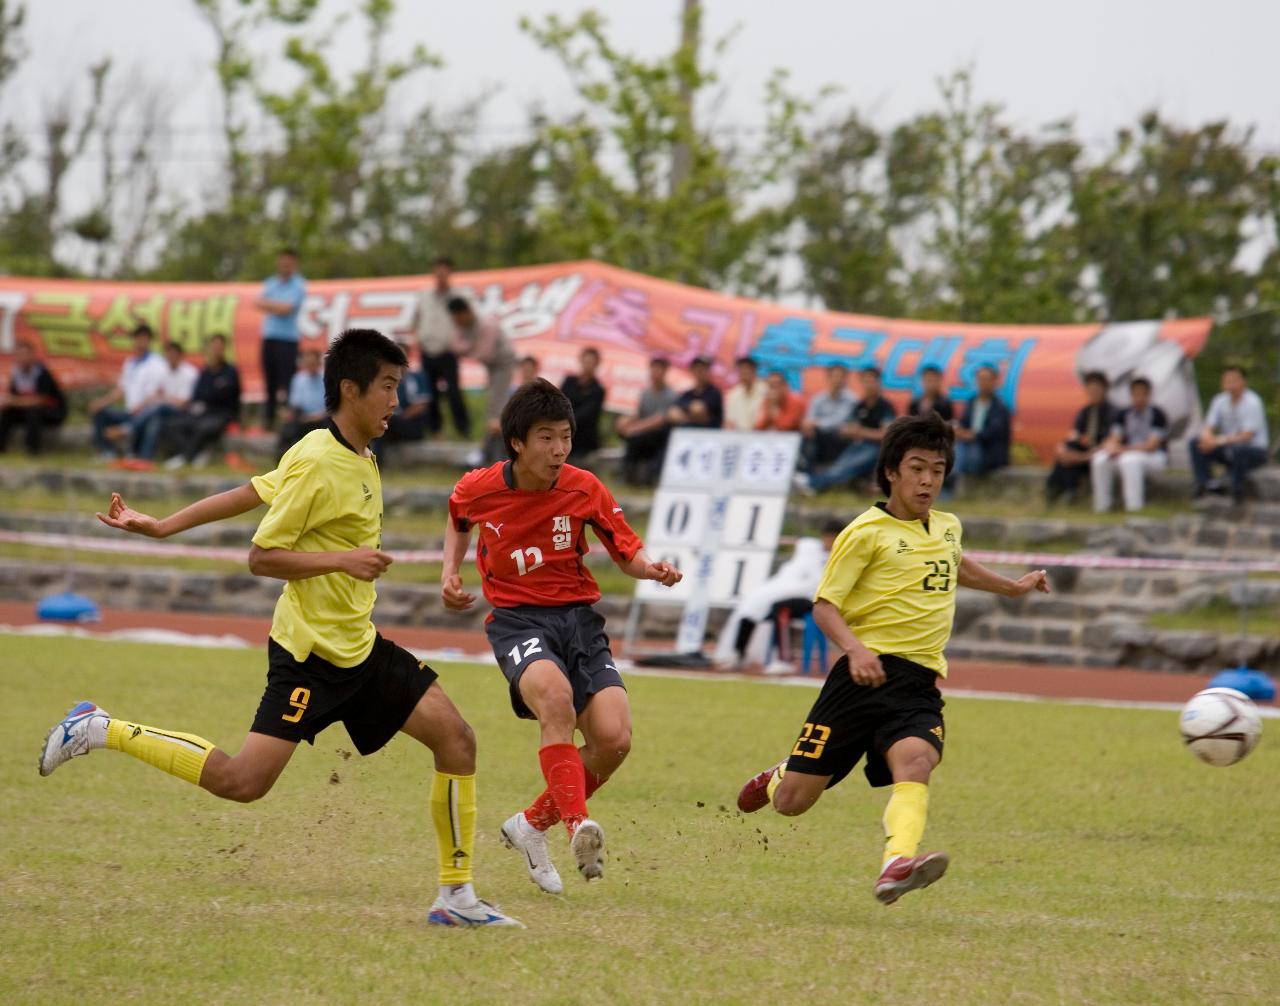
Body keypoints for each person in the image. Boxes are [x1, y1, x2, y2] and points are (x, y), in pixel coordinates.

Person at [40, 328, 521, 928]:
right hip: (309, 658)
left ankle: (456, 898)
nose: (398, 400)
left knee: (458, 740)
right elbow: (262, 555)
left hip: (360, 648)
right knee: (242, 782)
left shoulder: (352, 453)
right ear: (351, 389)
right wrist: (342, 560)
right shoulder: (320, 459)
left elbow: (252, 490)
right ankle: (101, 728)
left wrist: (163, 526)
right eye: (389, 387)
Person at [735, 412, 1050, 904]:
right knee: (794, 803)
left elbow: (952, 561)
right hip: (859, 680)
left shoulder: (947, 527)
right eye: (917, 468)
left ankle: (896, 863)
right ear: (892, 473)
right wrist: (856, 650)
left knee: (917, 761)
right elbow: (824, 607)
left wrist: (1011, 587)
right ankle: (779, 776)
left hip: (917, 683)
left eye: (938, 470)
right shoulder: (864, 533)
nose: (928, 480)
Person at [442, 379, 682, 894]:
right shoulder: (479, 487)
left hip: (578, 621)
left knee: (613, 740)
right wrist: (450, 571)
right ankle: (579, 828)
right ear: (518, 443)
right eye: (546, 438)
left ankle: (530, 827)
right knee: (556, 701)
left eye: (566, 437)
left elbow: (625, 550)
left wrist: (652, 569)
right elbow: (458, 516)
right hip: (518, 622)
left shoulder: (584, 486)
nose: (558, 450)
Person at [714, 518, 844, 674]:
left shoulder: (841, 555)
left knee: (781, 608)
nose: (827, 541)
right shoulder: (811, 548)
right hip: (788, 590)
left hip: (814, 598)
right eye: (826, 537)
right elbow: (795, 543)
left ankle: (784, 659)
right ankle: (739, 653)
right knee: (752, 605)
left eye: (831, 538)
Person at [794, 366, 896, 494]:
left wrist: (861, 432)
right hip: (856, 444)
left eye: (872, 380)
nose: (869, 385)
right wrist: (849, 431)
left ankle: (810, 483)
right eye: (865, 381)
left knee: (842, 470)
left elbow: (886, 435)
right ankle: (809, 481)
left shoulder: (885, 406)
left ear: (878, 382)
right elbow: (848, 428)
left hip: (875, 449)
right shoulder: (860, 405)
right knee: (838, 468)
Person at [448, 297, 516, 468]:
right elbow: (454, 345)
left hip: (503, 364)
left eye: (458, 318)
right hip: (491, 368)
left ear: (466, 312)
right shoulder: (462, 325)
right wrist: (471, 347)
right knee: (494, 409)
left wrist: (468, 348)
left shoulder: (486, 324)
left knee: (496, 409)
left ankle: (492, 455)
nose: (457, 322)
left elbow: (484, 353)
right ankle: (486, 453)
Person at [158, 334, 243, 469]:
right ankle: (196, 453)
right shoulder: (205, 372)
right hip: (202, 412)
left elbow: (227, 396)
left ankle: (186, 457)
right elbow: (198, 395)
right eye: (213, 347)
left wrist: (212, 395)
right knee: (172, 425)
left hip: (223, 414)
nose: (216, 350)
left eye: (219, 347)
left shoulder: (230, 371)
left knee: (203, 428)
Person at [1189, 365, 1270, 504]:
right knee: (1196, 443)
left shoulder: (1253, 402)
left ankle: (1236, 488)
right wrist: (1207, 438)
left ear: (1243, 381)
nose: (1231, 384)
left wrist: (1217, 441)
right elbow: (1209, 426)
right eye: (1227, 380)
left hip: (1253, 451)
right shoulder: (1219, 400)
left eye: (1235, 380)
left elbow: (1247, 435)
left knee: (1239, 449)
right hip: (1229, 447)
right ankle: (1205, 483)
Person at [1090, 376, 1168, 513]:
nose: (1139, 398)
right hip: (1126, 452)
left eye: (1142, 394)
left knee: (1129, 460)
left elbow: (1151, 445)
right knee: (1099, 459)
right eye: (1135, 394)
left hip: (1153, 456)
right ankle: (1102, 506)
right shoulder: (1123, 414)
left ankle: (1134, 507)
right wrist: (1112, 448)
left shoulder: (1157, 415)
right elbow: (1115, 437)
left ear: (1148, 395)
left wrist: (1124, 449)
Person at [89, 324, 166, 460]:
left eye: (144, 338)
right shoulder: (130, 362)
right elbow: (121, 389)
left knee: (150, 418)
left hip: (145, 412)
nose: (140, 341)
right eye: (137, 338)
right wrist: (102, 402)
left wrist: (140, 407)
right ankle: (109, 452)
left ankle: (126, 433)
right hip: (129, 412)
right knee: (99, 412)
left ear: (149, 340)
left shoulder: (157, 363)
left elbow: (156, 393)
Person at [416, 256, 470, 437]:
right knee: (430, 393)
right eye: (437, 270)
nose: (440, 274)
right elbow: (414, 321)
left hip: (448, 351)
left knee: (454, 391)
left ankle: (463, 429)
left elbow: (467, 322)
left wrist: (460, 344)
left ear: (449, 272)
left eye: (444, 270)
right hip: (427, 350)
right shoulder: (424, 296)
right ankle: (435, 430)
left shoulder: (459, 296)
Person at [255, 248, 307, 429]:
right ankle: (268, 420)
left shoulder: (299, 284)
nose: (285, 265)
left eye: (288, 262)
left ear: (294, 264)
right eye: (282, 261)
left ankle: (288, 422)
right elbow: (258, 302)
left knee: (287, 383)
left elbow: (287, 309)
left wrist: (271, 305)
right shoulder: (271, 283)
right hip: (269, 338)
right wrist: (277, 306)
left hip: (288, 340)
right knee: (269, 381)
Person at [1045, 371, 1115, 504]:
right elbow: (1074, 436)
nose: (1093, 393)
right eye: (1090, 389)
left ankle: (1066, 491)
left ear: (1104, 389)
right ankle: (1056, 490)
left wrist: (1083, 457)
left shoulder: (1112, 412)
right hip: (1087, 454)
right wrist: (1063, 450)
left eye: (1096, 389)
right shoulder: (1085, 412)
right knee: (1068, 451)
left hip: (1103, 454)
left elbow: (1110, 442)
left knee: (1074, 458)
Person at [131, 340, 199, 463]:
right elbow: (153, 395)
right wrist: (140, 407)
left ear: (180, 355)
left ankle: (128, 428)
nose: (170, 358)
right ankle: (144, 459)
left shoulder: (190, 373)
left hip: (183, 413)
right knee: (155, 420)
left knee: (159, 408)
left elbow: (183, 403)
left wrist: (164, 397)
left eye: (173, 354)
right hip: (162, 412)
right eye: (168, 355)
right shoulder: (162, 372)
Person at [616, 356, 677, 486]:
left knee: (634, 438)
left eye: (659, 370)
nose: (655, 373)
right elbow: (640, 413)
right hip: (643, 432)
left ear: (665, 372)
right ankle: (627, 474)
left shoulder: (671, 395)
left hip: (660, 435)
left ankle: (636, 475)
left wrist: (636, 428)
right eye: (653, 369)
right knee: (628, 436)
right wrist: (625, 421)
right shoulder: (646, 393)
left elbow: (659, 419)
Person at [0, 339, 66, 455]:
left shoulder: (42, 373)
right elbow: (12, 396)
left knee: (33, 411)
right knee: (7, 412)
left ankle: (32, 450)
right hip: (27, 411)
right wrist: (8, 402)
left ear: (32, 355)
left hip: (52, 413)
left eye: (25, 354)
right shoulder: (16, 373)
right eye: (19, 355)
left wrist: (13, 401)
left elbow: (39, 400)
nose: (22, 358)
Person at [953, 365, 1011, 478]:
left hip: (988, 449)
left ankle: (954, 481)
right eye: (980, 379)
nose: (983, 382)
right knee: (956, 448)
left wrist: (973, 436)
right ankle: (951, 480)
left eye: (987, 379)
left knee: (973, 453)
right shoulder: (971, 402)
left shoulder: (1000, 407)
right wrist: (959, 431)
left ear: (995, 381)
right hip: (968, 444)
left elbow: (994, 432)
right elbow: (964, 422)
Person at [373, 362, 431, 466]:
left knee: (385, 423)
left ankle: (377, 463)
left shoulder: (416, 378)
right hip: (393, 425)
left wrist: (398, 417)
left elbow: (421, 405)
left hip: (413, 425)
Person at [799, 363, 856, 472]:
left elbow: (840, 420)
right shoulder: (818, 398)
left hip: (839, 438)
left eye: (841, 376)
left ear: (845, 379)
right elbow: (809, 418)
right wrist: (809, 425)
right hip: (818, 435)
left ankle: (810, 475)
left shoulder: (852, 399)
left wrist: (816, 424)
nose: (837, 380)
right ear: (828, 377)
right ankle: (805, 472)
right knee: (807, 434)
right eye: (834, 376)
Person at [277, 348, 328, 453]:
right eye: (308, 363)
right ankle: (283, 458)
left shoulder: (327, 378)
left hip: (322, 418)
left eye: (313, 363)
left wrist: (315, 416)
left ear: (318, 363)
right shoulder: (298, 379)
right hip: (302, 417)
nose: (310, 365)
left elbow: (331, 405)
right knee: (288, 427)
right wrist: (288, 413)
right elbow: (295, 403)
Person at [561, 346, 606, 465]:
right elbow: (559, 402)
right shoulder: (569, 381)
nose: (588, 365)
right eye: (586, 361)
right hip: (563, 431)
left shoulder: (598, 389)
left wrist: (567, 422)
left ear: (597, 364)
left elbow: (588, 414)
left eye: (591, 362)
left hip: (583, 438)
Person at [666, 356, 723, 429]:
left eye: (704, 369)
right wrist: (691, 415)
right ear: (692, 370)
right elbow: (672, 414)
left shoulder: (714, 392)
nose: (700, 372)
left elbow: (698, 411)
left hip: (708, 435)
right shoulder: (688, 394)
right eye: (698, 368)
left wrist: (684, 416)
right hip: (687, 435)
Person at [724, 356, 766, 432]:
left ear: (754, 370)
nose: (744, 372)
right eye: (741, 369)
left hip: (761, 435)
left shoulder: (765, 391)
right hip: (739, 436)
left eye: (748, 369)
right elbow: (730, 421)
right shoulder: (733, 394)